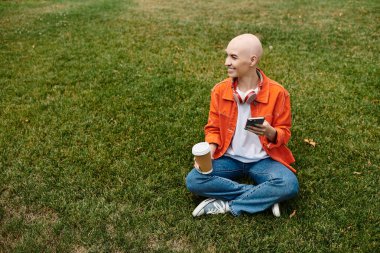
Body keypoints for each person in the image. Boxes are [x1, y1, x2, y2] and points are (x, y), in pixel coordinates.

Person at [186, 34, 299, 217]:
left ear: (252, 60)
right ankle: (263, 196)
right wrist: (211, 149)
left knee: (289, 184)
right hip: (229, 158)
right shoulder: (219, 90)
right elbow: (213, 128)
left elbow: (284, 134)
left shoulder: (279, 93)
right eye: (227, 56)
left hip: (264, 160)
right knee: (194, 180)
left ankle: (228, 206)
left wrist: (270, 131)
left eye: (234, 57)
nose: (226, 62)